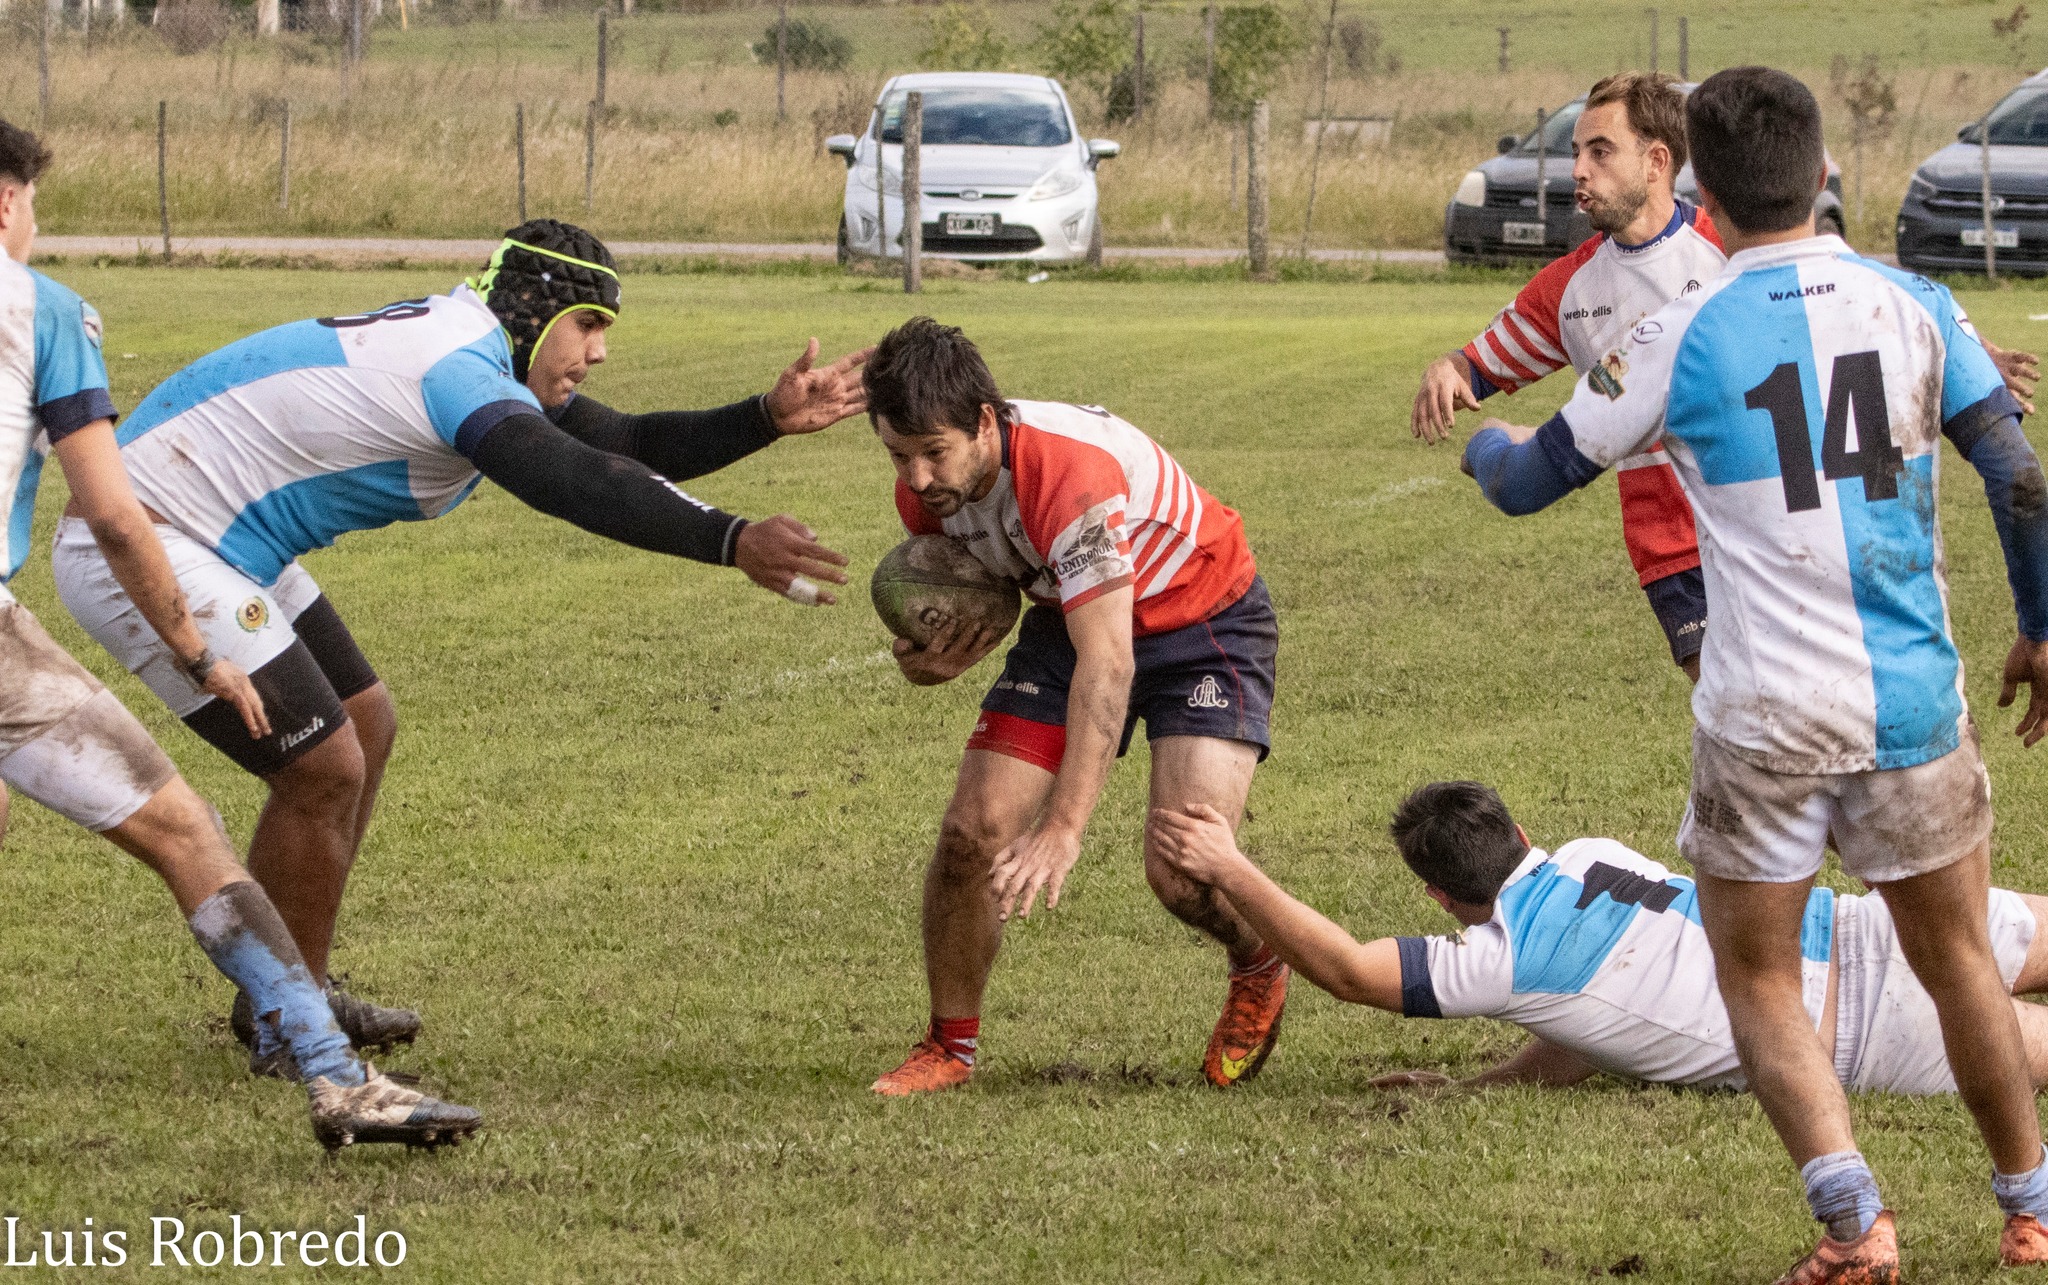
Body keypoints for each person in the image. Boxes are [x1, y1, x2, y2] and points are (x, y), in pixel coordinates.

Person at [1457, 67, 2048, 1280]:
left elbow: (1528, 481)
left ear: (1701, 193)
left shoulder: (1670, 332)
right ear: (1822, 174)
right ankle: (2029, 1204)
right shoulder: (1916, 302)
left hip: (1757, 718)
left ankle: (1855, 1227)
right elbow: (2019, 474)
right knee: (1955, 965)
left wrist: (1482, 441)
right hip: (1910, 707)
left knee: (1760, 976)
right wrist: (2038, 627)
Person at [52, 219, 871, 1074]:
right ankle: (285, 1021)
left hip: (220, 540)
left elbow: (622, 443)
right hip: (145, 543)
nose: (596, 353)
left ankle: (295, 987)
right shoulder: (455, 366)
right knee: (322, 766)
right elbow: (576, 481)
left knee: (365, 721)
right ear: (531, 309)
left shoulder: (474, 358)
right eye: (588, 324)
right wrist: (730, 539)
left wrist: (764, 418)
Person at [0, 117, 476, 1150]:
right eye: (32, 201)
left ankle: (315, 1049)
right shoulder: (45, 311)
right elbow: (118, 517)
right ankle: (331, 1074)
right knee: (184, 831)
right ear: (5, 201)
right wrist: (198, 651)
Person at [1413, 72, 2041, 682]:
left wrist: (1496, 444)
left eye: (1599, 151)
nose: (1578, 169)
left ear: (1663, 164)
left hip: (1769, 512)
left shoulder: (1719, 271)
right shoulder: (1571, 289)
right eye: (1577, 152)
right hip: (1676, 546)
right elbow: (1875, 301)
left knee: (1758, 707)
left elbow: (1837, 312)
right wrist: (1452, 368)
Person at [864, 317, 1286, 1095]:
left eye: (933, 451)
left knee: (1183, 866)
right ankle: (949, 1045)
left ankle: (1258, 961)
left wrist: (1063, 827)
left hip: (1203, 619)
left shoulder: (1069, 476)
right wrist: (940, 659)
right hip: (1071, 616)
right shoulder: (929, 496)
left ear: (984, 423)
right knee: (971, 832)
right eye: (899, 455)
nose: (918, 478)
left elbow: (1111, 660)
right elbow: (996, 598)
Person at [1150, 781, 2048, 1099]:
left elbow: (1346, 969)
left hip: (1856, 1027)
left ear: (1437, 892)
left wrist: (1229, 865)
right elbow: (1591, 1025)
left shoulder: (1499, 962)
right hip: (1868, 923)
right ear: (1514, 830)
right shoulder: (1587, 853)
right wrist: (1483, 1083)